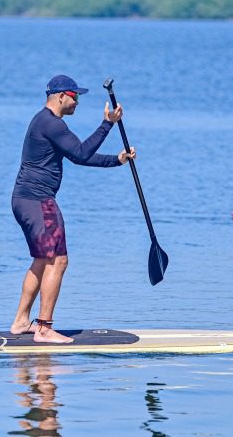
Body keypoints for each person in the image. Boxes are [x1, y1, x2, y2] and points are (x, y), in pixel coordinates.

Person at [10, 74, 136, 344]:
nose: (78, 102)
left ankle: (22, 321)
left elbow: (79, 156)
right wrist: (107, 124)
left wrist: (117, 160)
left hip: (24, 200)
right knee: (59, 260)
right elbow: (80, 152)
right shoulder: (51, 123)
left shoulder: (45, 122)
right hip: (39, 201)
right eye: (75, 96)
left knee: (43, 260)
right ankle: (43, 328)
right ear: (60, 96)